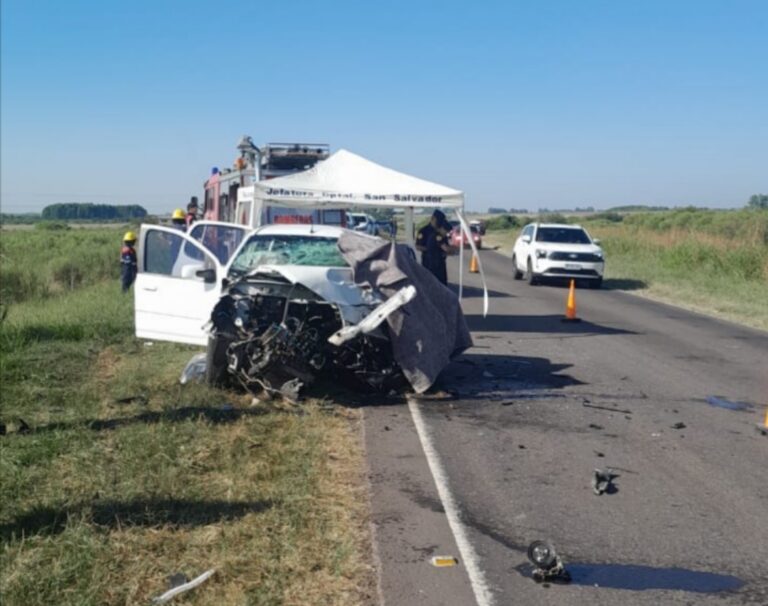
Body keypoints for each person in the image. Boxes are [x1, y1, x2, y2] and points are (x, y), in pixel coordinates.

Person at [416, 210, 453, 285]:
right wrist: (431, 250)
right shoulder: (424, 231)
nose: (439, 223)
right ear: (433, 218)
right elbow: (418, 246)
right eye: (438, 220)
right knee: (428, 284)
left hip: (440, 263)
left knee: (441, 285)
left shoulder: (441, 232)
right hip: (428, 262)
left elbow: (446, 247)